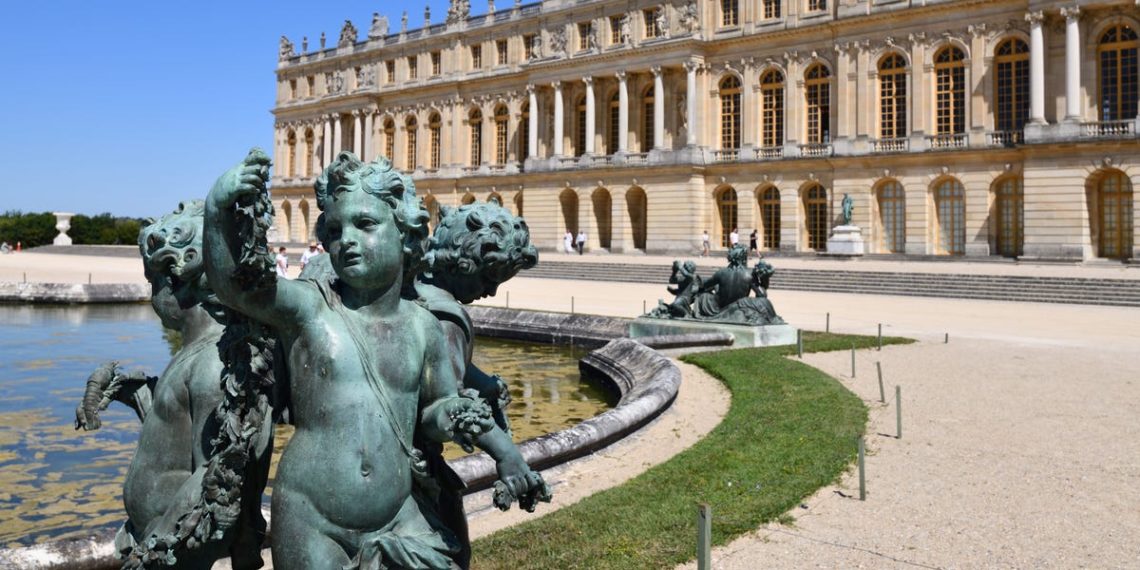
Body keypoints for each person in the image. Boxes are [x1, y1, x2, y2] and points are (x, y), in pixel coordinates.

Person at [204, 150, 540, 570]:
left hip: (400, 515)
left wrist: (503, 451)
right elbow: (237, 288)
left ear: (405, 233)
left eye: (364, 224)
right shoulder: (311, 308)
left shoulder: (423, 327)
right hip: (311, 519)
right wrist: (218, 210)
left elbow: (437, 410)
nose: (346, 239)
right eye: (334, 228)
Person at [76, 200, 272, 569]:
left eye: (152, 282)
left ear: (175, 278)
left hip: (172, 554)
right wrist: (123, 388)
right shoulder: (199, 352)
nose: (151, 297)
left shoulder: (212, 365)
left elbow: (215, 483)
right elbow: (175, 426)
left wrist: (154, 553)